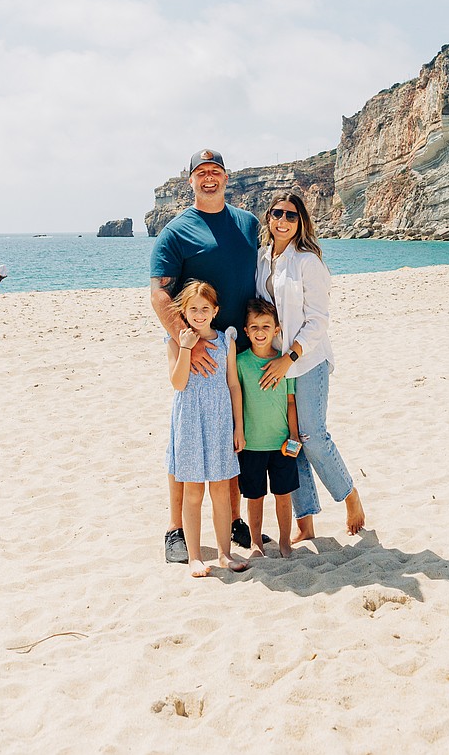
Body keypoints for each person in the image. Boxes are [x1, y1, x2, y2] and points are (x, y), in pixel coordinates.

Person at [150, 148, 260, 563]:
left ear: (226, 178)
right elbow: (160, 292)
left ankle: (232, 519)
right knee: (186, 438)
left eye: (215, 171)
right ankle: (175, 529)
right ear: (190, 180)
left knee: (229, 435)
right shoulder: (176, 231)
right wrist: (184, 340)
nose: (209, 178)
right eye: (201, 173)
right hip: (192, 347)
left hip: (237, 345)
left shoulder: (248, 224)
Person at [256, 192, 365, 541]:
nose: (283, 221)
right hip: (275, 363)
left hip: (307, 360)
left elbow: (318, 320)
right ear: (269, 218)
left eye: (291, 215)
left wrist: (290, 356)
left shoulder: (307, 261)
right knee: (291, 441)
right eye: (277, 214)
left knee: (312, 437)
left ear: (300, 221)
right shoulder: (262, 258)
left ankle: (351, 496)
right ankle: (306, 523)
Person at [167, 280, 248, 577]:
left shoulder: (226, 341)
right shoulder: (176, 341)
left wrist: (238, 427)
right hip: (189, 422)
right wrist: (186, 348)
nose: (199, 314)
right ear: (184, 312)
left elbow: (233, 384)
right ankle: (195, 557)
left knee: (221, 490)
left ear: (215, 311)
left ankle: (225, 554)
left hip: (219, 422)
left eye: (205, 309)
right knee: (192, 492)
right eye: (193, 309)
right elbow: (178, 383)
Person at [237, 298, 301, 559]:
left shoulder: (285, 364)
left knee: (283, 496)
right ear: (246, 331)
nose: (260, 332)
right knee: (255, 497)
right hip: (252, 444)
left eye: (266, 326)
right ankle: (256, 543)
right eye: (254, 327)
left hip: (282, 444)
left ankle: (285, 542)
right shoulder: (240, 363)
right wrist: (238, 433)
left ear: (277, 329)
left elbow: (290, 401)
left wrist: (294, 436)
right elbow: (236, 400)